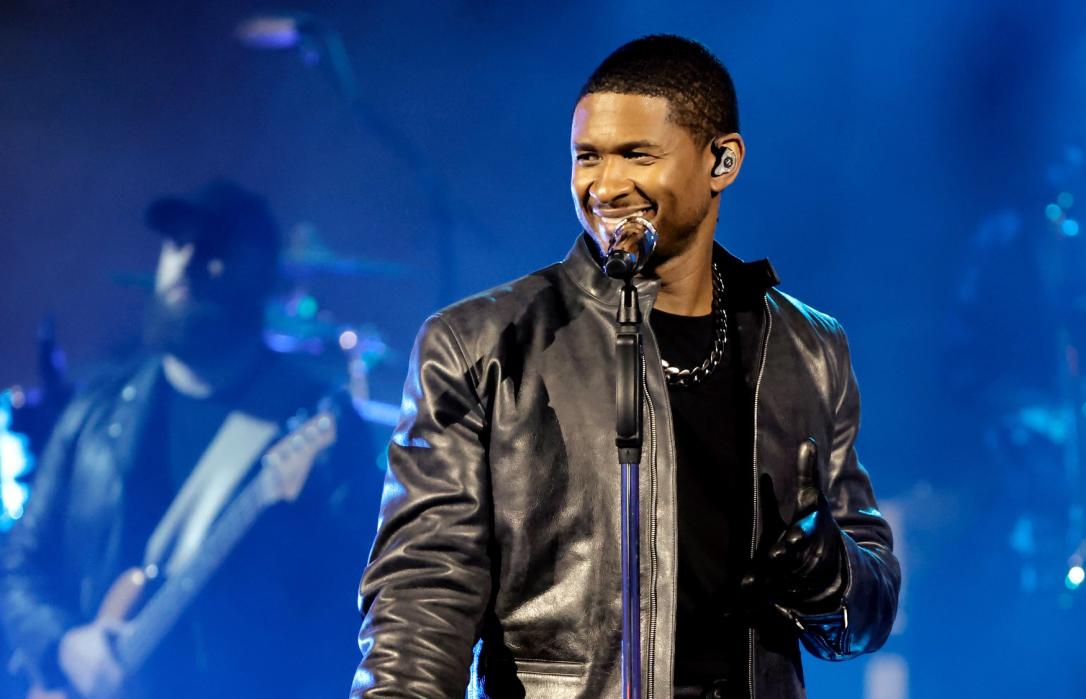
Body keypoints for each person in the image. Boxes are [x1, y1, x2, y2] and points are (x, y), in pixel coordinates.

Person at [352, 35, 900, 698]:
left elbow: (871, 610)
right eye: (588, 158)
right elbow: (421, 599)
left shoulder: (806, 347)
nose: (605, 186)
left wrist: (829, 570)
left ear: (721, 161)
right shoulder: (482, 344)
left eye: (636, 155)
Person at [0, 180, 380, 698]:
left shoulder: (318, 423)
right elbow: (19, 562)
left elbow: (360, 606)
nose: (188, 259)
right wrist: (63, 646)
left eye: (215, 244)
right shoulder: (96, 412)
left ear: (262, 273)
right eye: (176, 241)